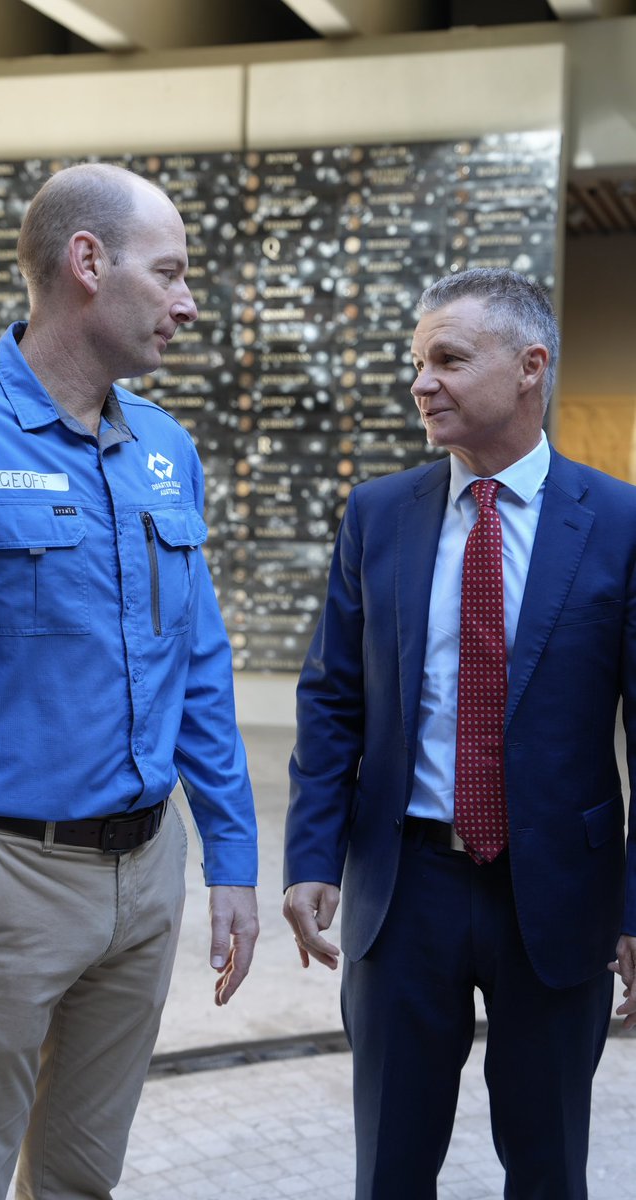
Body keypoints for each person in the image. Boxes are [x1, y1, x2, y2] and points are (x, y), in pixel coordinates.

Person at [0, 162, 259, 1200]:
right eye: (167, 273)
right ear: (87, 263)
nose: (186, 300)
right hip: (1, 884)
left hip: (146, 875)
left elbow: (198, 668)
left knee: (80, 1175)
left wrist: (232, 858)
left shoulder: (165, 449)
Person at [282, 266, 636, 1199]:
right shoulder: (376, 515)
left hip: (556, 896)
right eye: (415, 361)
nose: (420, 382)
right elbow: (331, 698)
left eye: (446, 359)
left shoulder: (619, 522)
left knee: (549, 1164)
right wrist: (310, 856)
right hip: (404, 893)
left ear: (530, 367)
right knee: (390, 1168)